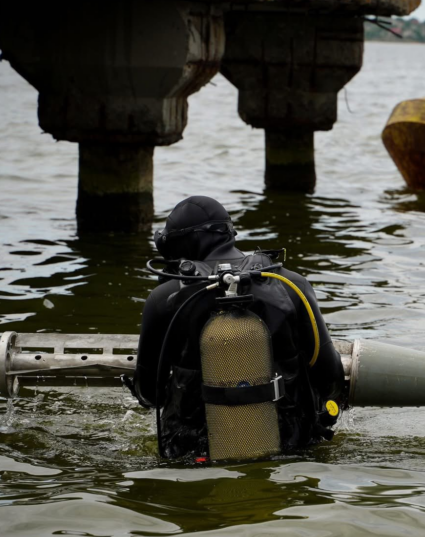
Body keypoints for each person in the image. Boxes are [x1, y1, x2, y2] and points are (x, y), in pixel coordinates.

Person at [128, 195, 344, 460]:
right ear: (229, 233)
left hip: (193, 449)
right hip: (292, 443)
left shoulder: (165, 299)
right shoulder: (290, 284)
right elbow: (329, 376)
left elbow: (150, 393)